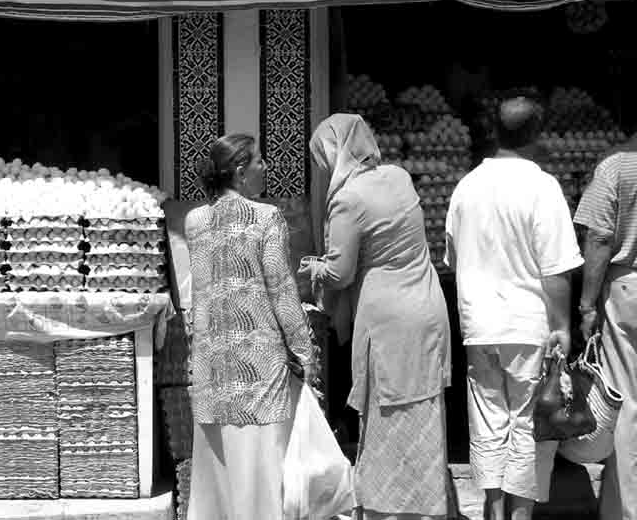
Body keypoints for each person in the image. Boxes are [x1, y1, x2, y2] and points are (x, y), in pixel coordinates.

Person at [300, 113, 453, 520]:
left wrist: (313, 268)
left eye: (322, 159)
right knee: (423, 413)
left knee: (391, 414)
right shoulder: (399, 177)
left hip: (390, 321)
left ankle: (390, 510)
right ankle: (429, 507)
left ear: (334, 154)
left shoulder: (348, 199)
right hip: (427, 307)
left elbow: (341, 272)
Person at [444, 97, 584, 520]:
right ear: (537, 134)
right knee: (526, 426)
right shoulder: (543, 187)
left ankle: (493, 509)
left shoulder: (467, 187)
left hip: (480, 326)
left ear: (495, 131)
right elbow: (556, 270)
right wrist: (562, 327)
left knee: (488, 422)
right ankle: (520, 515)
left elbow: (453, 258)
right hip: (527, 325)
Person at [184, 133, 315, 520]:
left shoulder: (195, 221)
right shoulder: (266, 217)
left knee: (219, 484)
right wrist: (304, 351)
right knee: (260, 476)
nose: (266, 167)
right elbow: (282, 290)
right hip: (259, 370)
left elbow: (201, 296)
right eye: (259, 161)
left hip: (211, 369)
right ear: (241, 172)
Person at [574, 136, 637, 520]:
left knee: (627, 405)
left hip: (629, 288)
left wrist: (586, 305)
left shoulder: (615, 165)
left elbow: (599, 236)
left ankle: (626, 511)